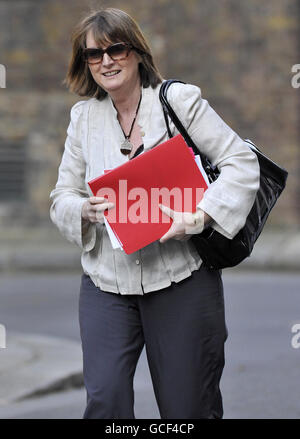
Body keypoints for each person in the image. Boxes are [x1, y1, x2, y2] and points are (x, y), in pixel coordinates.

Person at [49, 7, 260, 419]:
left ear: (137, 52)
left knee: (188, 409)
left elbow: (241, 163)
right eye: (94, 54)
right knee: (105, 402)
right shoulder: (84, 119)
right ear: (86, 63)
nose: (106, 60)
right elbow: (61, 196)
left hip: (181, 279)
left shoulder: (177, 101)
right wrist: (84, 210)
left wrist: (200, 216)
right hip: (106, 284)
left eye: (116, 49)